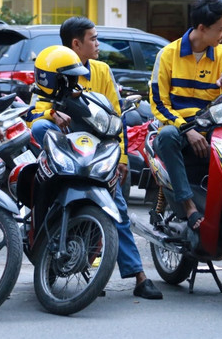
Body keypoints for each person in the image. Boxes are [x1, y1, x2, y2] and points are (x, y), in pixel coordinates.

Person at [29, 17, 163, 300]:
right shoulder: (52, 65)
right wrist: (51, 114)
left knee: (118, 207)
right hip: (64, 152)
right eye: (93, 39)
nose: (98, 44)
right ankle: (49, 261)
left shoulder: (101, 70)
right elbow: (36, 110)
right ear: (76, 43)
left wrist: (123, 156)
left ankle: (138, 275)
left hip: (98, 150)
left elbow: (117, 116)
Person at [150, 0, 222, 234]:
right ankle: (189, 207)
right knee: (165, 136)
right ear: (202, 28)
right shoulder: (167, 55)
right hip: (178, 126)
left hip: (212, 125)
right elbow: (159, 103)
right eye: (221, 30)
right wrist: (188, 130)